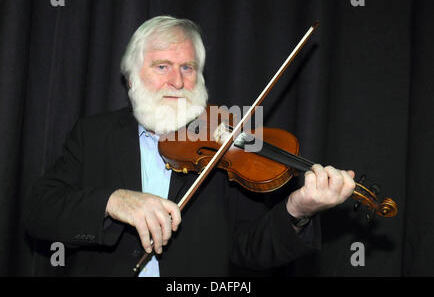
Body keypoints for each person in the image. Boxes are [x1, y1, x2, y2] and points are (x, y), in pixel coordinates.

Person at [23, 16, 356, 276]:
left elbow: (252, 248)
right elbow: (40, 213)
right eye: (162, 66)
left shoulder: (227, 139)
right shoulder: (94, 133)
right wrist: (112, 202)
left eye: (187, 67)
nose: (178, 81)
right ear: (131, 77)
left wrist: (298, 210)